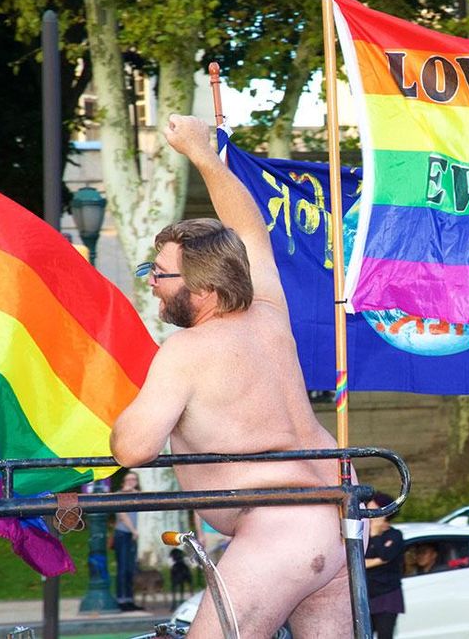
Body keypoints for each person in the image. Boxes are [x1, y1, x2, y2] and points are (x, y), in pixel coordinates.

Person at [110, 114, 354, 639]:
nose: (151, 283)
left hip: (281, 528)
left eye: (159, 272)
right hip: (332, 518)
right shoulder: (269, 311)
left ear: (200, 290)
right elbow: (249, 229)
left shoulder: (187, 350)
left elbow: (132, 449)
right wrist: (202, 153)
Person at [365, 493, 404, 639]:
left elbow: (385, 556)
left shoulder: (395, 535)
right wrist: (376, 560)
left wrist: (375, 534)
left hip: (388, 594)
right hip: (368, 594)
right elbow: (357, 562)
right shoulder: (363, 536)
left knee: (385, 634)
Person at [113, 471, 142, 612]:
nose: (132, 481)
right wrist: (133, 530)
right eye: (129, 479)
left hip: (131, 536)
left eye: (134, 479)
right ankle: (121, 600)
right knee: (123, 568)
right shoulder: (120, 494)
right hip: (123, 534)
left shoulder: (136, 494)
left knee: (131, 569)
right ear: (124, 481)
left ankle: (130, 599)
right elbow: (122, 516)